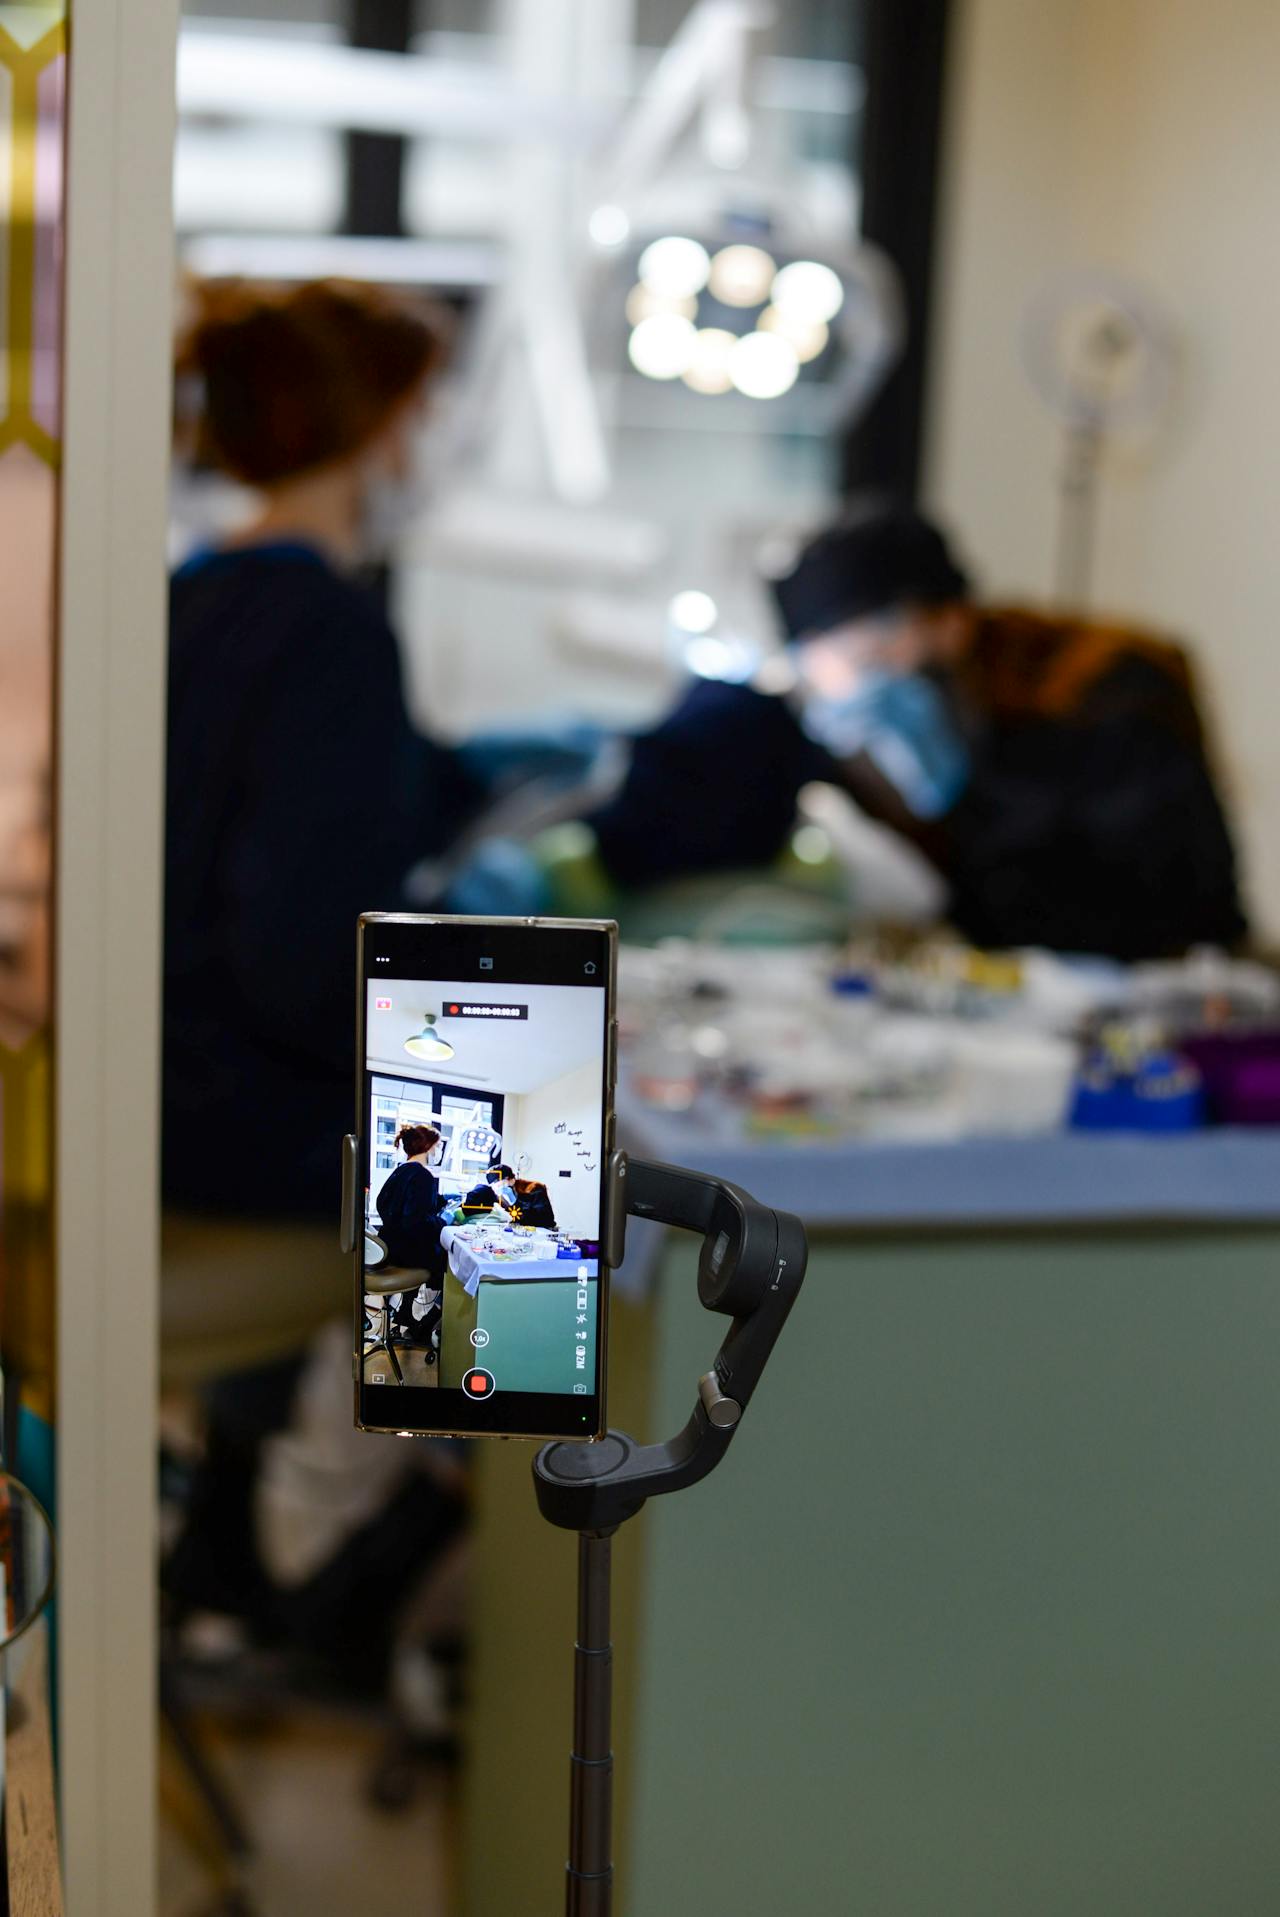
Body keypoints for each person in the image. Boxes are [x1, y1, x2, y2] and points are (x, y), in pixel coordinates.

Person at [587, 503, 1247, 961]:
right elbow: (659, 832)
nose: (859, 693)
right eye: (830, 675)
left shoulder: (1104, 688)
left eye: (874, 656)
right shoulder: (857, 736)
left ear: (951, 623)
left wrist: (977, 799)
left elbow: (1168, 906)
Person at [165, 277, 479, 1223]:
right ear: (375, 427)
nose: (425, 442)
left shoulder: (193, 594)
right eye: (421, 413)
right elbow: (303, 959)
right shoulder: (330, 632)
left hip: (169, 1090)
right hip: (246, 1125)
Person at [376, 1124, 447, 1273]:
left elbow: (392, 1204)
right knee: (450, 1256)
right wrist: (443, 1222)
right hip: (406, 1252)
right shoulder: (422, 1175)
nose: (439, 1151)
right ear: (428, 1146)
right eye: (438, 1146)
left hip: (390, 1246)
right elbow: (417, 1221)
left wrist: (439, 1201)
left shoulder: (402, 1170)